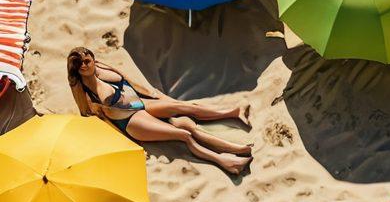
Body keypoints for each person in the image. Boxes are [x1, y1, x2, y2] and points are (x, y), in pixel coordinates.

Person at [67, 48, 252, 175]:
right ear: (74, 68)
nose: (84, 65)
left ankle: (233, 115)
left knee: (185, 108)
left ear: (92, 58)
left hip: (142, 103)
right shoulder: (85, 91)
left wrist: (154, 95)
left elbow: (130, 83)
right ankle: (225, 162)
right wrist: (127, 142)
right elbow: (97, 120)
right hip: (131, 121)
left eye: (86, 60)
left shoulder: (101, 66)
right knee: (184, 133)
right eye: (79, 63)